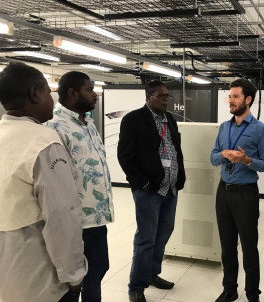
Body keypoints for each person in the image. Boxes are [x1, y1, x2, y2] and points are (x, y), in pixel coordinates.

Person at [0, 62, 87, 302]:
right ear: (34, 94)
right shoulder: (44, 143)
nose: (53, 100)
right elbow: (63, 217)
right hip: (41, 282)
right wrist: (74, 276)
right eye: (49, 93)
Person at [46, 71, 114, 302]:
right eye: (89, 89)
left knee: (97, 270)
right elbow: (55, 180)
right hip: (75, 221)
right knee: (72, 281)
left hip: (95, 216)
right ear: (73, 93)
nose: (94, 94)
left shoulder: (87, 122)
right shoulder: (56, 126)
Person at [117, 80, 186, 302]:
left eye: (167, 96)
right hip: (149, 190)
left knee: (164, 233)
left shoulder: (171, 120)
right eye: (161, 96)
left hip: (170, 188)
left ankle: (152, 273)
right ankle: (136, 286)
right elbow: (125, 156)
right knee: (146, 238)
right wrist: (142, 183)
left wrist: (180, 177)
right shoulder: (134, 119)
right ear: (148, 97)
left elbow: (176, 151)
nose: (166, 99)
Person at [210, 79, 264, 302]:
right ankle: (230, 290)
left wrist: (247, 160)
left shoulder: (260, 129)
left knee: (248, 247)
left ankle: (252, 294)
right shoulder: (224, 127)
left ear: (248, 99)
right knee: (227, 246)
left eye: (235, 96)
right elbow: (213, 156)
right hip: (223, 192)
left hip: (246, 194)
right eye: (230, 96)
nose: (231, 100)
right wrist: (224, 155)